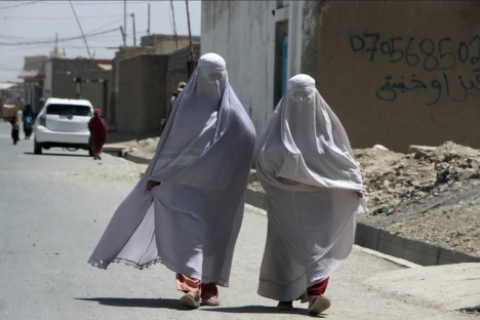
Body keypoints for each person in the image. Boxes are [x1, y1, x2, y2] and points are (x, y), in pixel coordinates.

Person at [88, 53, 256, 309]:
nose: (213, 81)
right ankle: (191, 287)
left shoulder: (234, 115)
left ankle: (208, 287)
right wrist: (158, 177)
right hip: (183, 188)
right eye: (209, 74)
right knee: (188, 238)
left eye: (217, 75)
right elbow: (170, 147)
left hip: (216, 192)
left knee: (212, 239)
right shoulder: (185, 111)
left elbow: (246, 143)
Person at [254, 74, 367, 316]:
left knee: (316, 246)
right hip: (286, 201)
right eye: (297, 95)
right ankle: (286, 295)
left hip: (319, 201)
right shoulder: (277, 130)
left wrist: (354, 184)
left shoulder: (326, 128)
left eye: (306, 95)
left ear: (314, 95)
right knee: (285, 248)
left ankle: (316, 294)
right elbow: (263, 160)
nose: (302, 100)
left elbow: (342, 160)